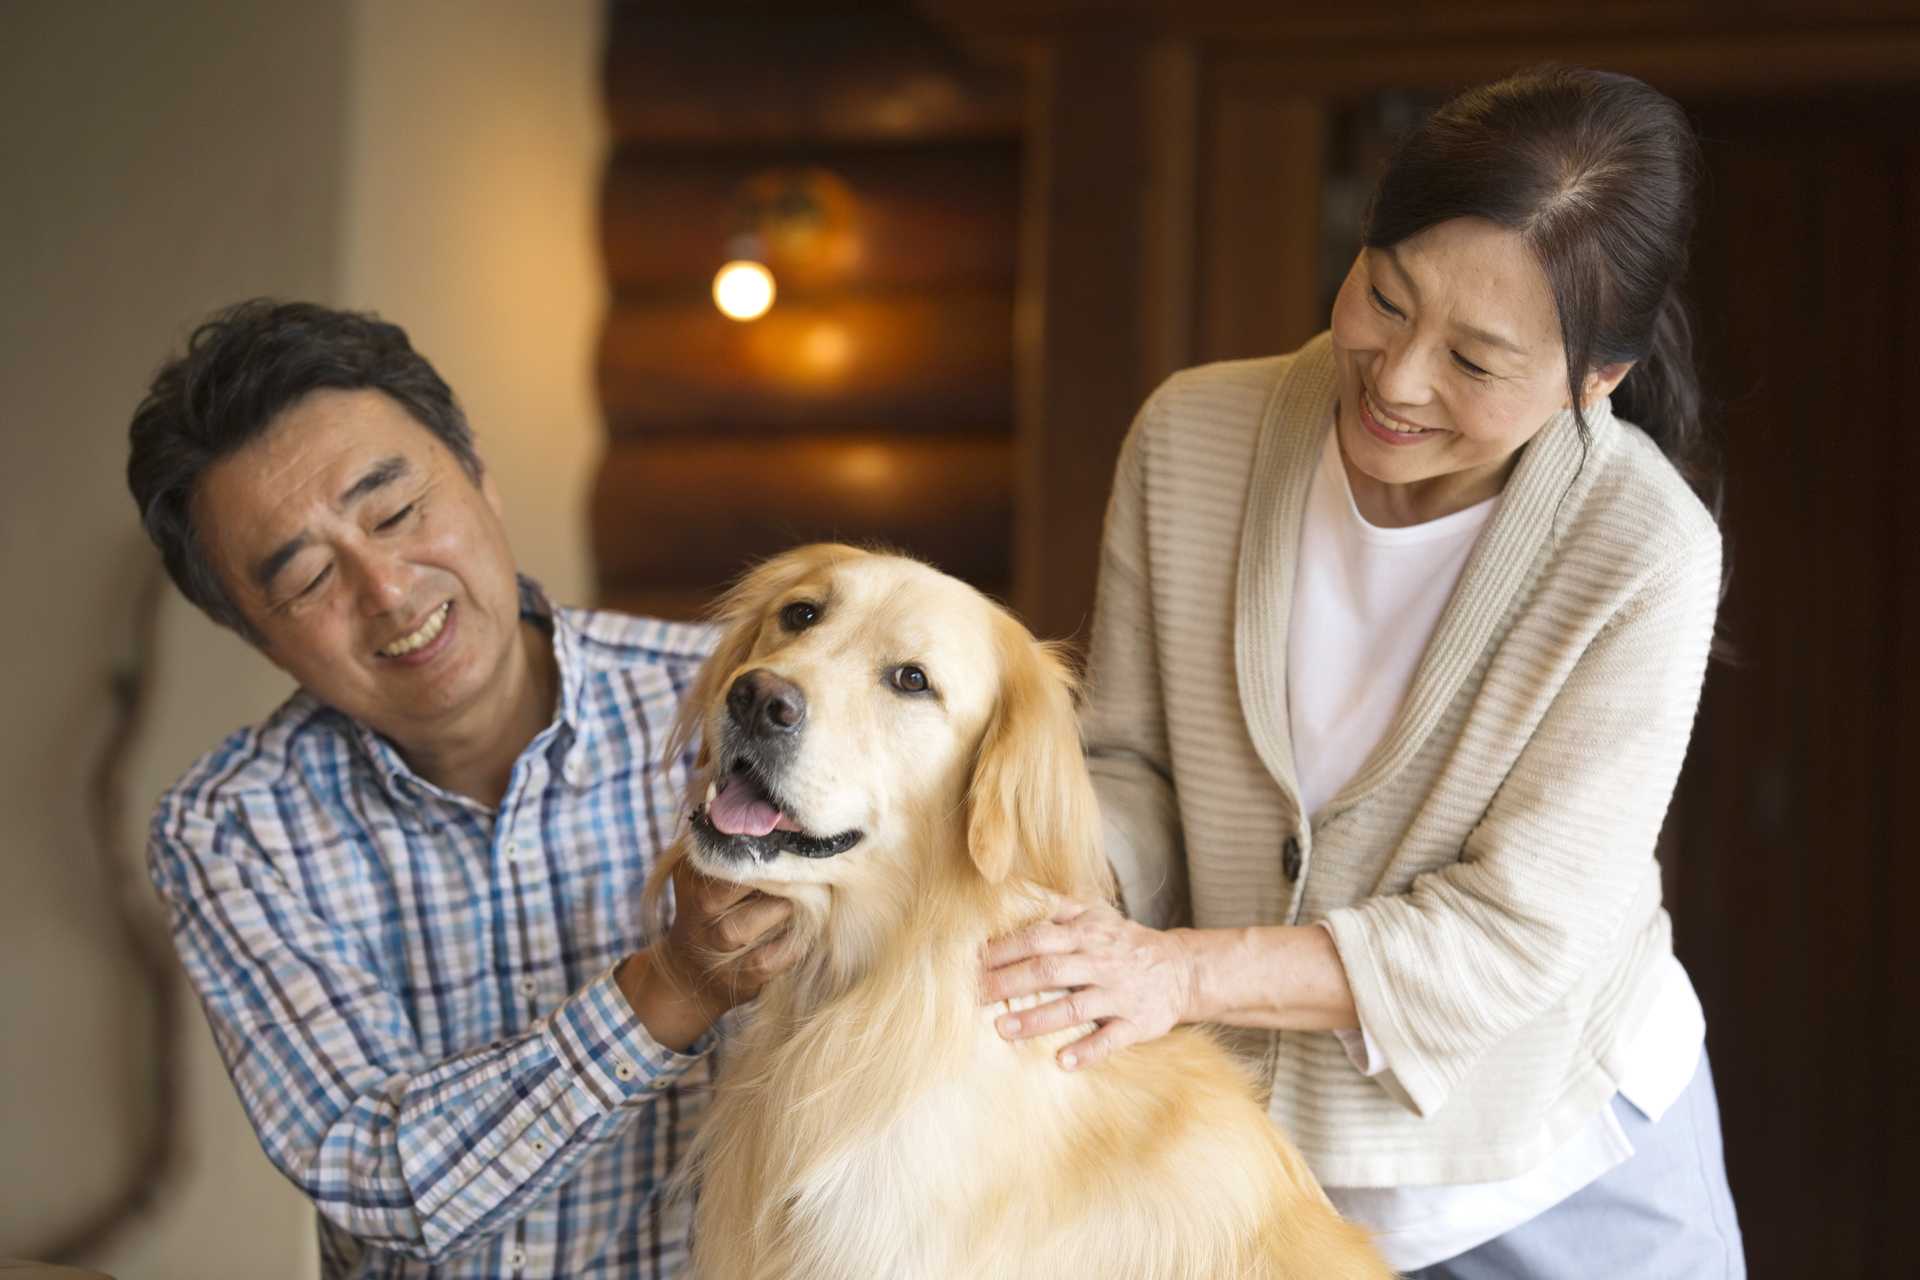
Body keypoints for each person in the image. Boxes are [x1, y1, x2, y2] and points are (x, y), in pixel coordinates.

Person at [982, 66, 1745, 1276]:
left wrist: (1175, 971)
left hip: (1543, 1156)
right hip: (1243, 1158)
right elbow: (1128, 760)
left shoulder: (1641, 552)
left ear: (1597, 379)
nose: (1395, 379)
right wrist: (1049, 899)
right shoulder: (1192, 436)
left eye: (1478, 362)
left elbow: (1509, 934)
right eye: (1385, 299)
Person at [126, 300, 797, 1278]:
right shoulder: (235, 828)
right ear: (254, 633)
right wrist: (674, 984)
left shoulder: (725, 705)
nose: (389, 590)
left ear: (477, 468)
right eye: (309, 575)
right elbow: (377, 1173)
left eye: (397, 513)